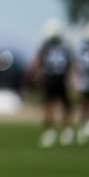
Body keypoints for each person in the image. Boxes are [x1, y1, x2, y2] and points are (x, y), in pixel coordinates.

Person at [29, 19, 75, 147]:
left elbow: (37, 63)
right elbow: (70, 65)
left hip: (49, 79)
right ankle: (67, 132)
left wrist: (34, 78)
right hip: (61, 79)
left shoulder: (45, 47)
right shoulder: (65, 47)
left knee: (48, 106)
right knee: (66, 107)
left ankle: (49, 132)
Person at [76, 20, 89, 144]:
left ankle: (83, 128)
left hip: (84, 81)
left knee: (85, 105)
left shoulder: (84, 48)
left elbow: (79, 65)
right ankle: (88, 127)